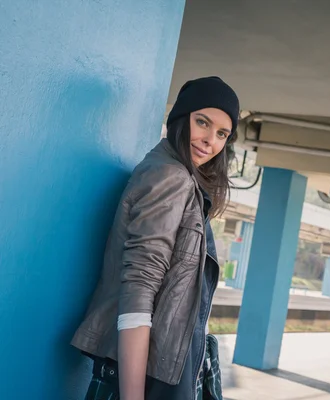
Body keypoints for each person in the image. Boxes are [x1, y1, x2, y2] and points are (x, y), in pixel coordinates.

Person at [71, 76, 240, 400]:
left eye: (222, 134)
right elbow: (138, 287)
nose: (210, 141)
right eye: (202, 122)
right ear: (181, 118)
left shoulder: (177, 175)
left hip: (165, 369)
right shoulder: (170, 176)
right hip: (148, 379)